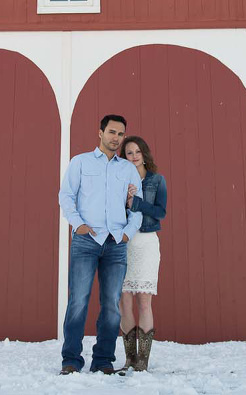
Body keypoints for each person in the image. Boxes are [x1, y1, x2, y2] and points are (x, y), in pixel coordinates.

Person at [58, 114, 143, 375]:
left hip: (116, 244)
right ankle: (71, 360)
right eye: (112, 132)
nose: (116, 138)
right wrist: (78, 225)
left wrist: (128, 232)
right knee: (79, 302)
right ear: (100, 132)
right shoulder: (80, 162)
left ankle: (103, 361)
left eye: (120, 134)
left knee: (110, 306)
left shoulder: (127, 169)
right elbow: (66, 196)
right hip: (86, 240)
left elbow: (137, 207)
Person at [119, 135, 167, 372]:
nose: (134, 156)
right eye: (129, 152)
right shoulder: (119, 179)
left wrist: (135, 203)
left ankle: (143, 361)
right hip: (125, 242)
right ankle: (129, 358)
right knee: (124, 301)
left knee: (144, 302)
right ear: (124, 156)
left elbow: (161, 212)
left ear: (144, 153)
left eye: (138, 151)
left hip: (147, 243)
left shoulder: (157, 180)